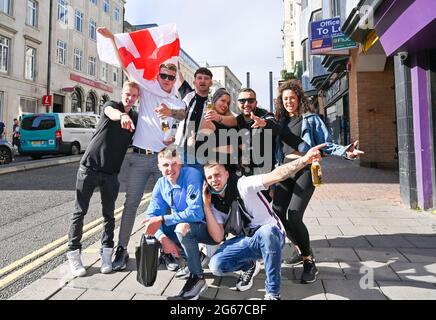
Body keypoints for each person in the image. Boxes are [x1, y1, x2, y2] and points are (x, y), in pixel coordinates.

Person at [97, 27, 186, 272]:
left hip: (164, 161)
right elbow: (127, 65)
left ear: (175, 79)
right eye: (163, 75)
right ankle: (122, 250)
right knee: (131, 205)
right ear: (157, 77)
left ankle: (166, 252)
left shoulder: (178, 100)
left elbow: (184, 114)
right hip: (139, 158)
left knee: (166, 208)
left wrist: (172, 113)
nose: (166, 80)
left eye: (170, 76)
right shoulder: (148, 89)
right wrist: (114, 39)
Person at [203, 144, 326, 300]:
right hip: (247, 239)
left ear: (227, 174)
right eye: (210, 177)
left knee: (266, 232)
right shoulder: (216, 203)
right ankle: (249, 265)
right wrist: (206, 206)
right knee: (216, 266)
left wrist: (304, 160)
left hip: (272, 235)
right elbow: (218, 237)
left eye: (217, 174)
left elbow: (277, 175)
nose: (214, 180)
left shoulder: (243, 185)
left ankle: (273, 293)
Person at [273, 79, 364, 284]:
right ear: (282, 101)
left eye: (292, 98)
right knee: (278, 213)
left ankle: (309, 261)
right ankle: (300, 248)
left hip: (305, 169)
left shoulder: (310, 119)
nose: (289, 102)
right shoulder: (280, 123)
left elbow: (326, 144)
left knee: (294, 214)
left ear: (298, 99)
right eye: (285, 99)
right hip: (285, 171)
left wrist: (346, 151)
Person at [66, 81, 139, 277]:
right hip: (89, 168)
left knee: (109, 215)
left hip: (111, 174)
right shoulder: (111, 107)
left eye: (133, 95)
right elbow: (112, 114)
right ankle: (73, 255)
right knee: (79, 212)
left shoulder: (135, 117)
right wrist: (122, 115)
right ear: (121, 93)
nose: (129, 98)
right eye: (127, 94)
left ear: (137, 98)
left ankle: (106, 253)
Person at [142, 148, 219, 300]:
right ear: (159, 167)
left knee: (181, 228)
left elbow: (196, 213)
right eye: (165, 165)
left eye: (174, 164)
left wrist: (163, 219)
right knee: (152, 225)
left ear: (181, 163)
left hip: (209, 228)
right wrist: (163, 239)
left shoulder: (191, 174)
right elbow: (151, 215)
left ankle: (198, 278)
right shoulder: (161, 183)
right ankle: (196, 257)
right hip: (186, 226)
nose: (170, 169)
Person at [155, 68, 237, 169]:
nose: (202, 81)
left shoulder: (214, 102)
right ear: (194, 81)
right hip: (182, 150)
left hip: (203, 153)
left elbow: (233, 120)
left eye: (206, 78)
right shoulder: (188, 95)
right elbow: (177, 70)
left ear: (211, 83)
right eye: (199, 78)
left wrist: (218, 118)